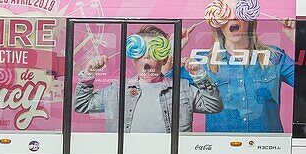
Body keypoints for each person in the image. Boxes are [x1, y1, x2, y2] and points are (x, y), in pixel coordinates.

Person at [73, 25, 222, 132]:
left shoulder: (183, 89)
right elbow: (82, 105)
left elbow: (213, 106)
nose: (146, 56)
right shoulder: (117, 90)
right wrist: (89, 72)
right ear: (133, 59)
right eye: (141, 52)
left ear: (164, 59)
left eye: (154, 52)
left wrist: (199, 75)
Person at [193, 0, 295, 133]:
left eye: (239, 11)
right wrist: (175, 45)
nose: (233, 17)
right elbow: (166, 83)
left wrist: (295, 37)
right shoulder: (202, 62)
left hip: (268, 151)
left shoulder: (275, 57)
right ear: (217, 21)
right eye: (226, 12)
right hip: (219, 151)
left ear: (249, 18)